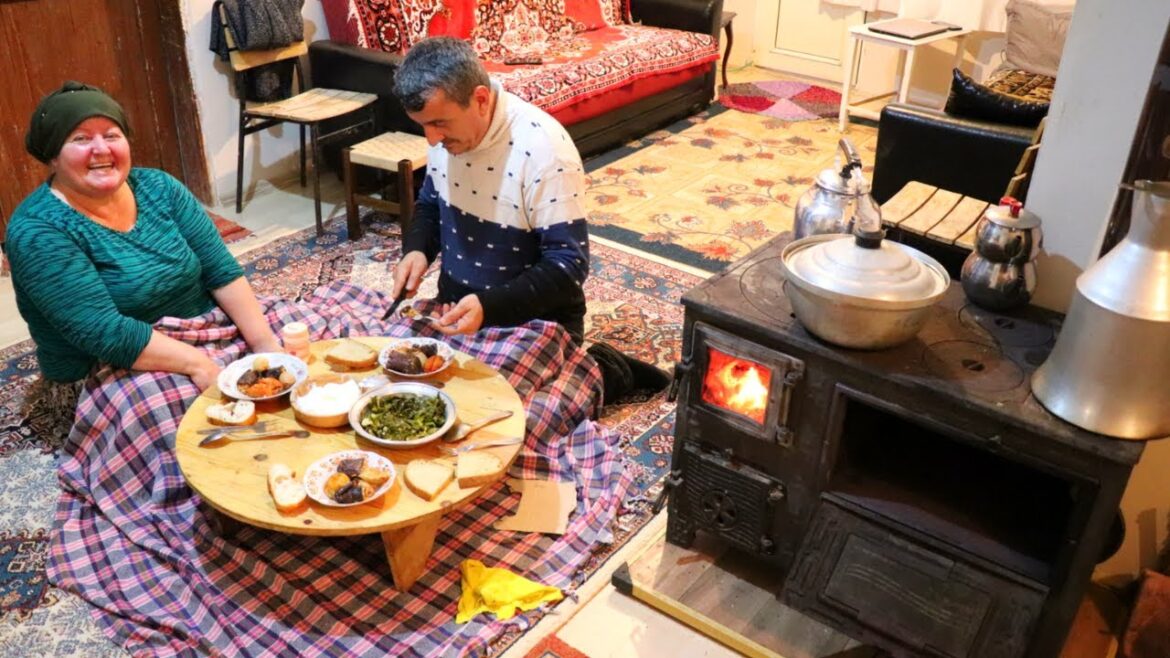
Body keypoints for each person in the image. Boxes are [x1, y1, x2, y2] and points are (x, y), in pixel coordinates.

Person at [389, 37, 669, 402]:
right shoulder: (449, 137)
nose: (431, 139)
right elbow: (430, 205)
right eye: (423, 125)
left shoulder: (544, 148)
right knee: (395, 379)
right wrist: (416, 250)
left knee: (502, 415)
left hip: (534, 324)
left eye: (439, 123)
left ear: (480, 99)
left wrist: (490, 307)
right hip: (458, 309)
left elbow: (568, 265)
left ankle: (606, 369)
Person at [6, 81, 281, 415]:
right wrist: (200, 365)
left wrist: (266, 345)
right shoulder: (38, 231)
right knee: (181, 416)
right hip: (115, 361)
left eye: (111, 135)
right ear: (52, 156)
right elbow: (105, 333)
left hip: (205, 326)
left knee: (307, 340)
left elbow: (219, 270)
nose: (101, 149)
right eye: (80, 139)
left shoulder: (159, 187)